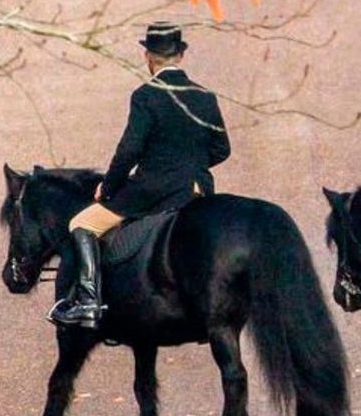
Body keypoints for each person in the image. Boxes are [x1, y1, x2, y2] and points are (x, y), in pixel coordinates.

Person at [49, 22, 231, 328]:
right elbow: (222, 148)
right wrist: (192, 166)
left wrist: (107, 188)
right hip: (196, 189)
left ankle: (88, 302)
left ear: (147, 56)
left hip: (154, 189)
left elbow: (129, 151)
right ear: (180, 55)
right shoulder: (205, 96)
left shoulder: (145, 95)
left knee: (81, 223)